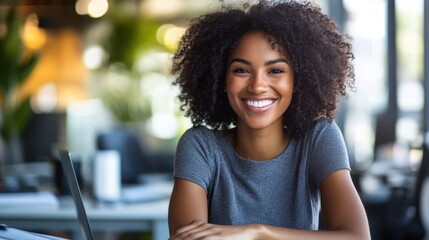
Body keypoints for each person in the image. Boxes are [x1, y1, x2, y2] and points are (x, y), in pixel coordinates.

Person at [168, 0, 370, 239]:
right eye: (241, 70)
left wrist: (258, 232)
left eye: (275, 71)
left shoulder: (318, 138)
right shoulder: (201, 146)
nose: (257, 86)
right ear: (221, 80)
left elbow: (357, 236)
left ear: (298, 81)